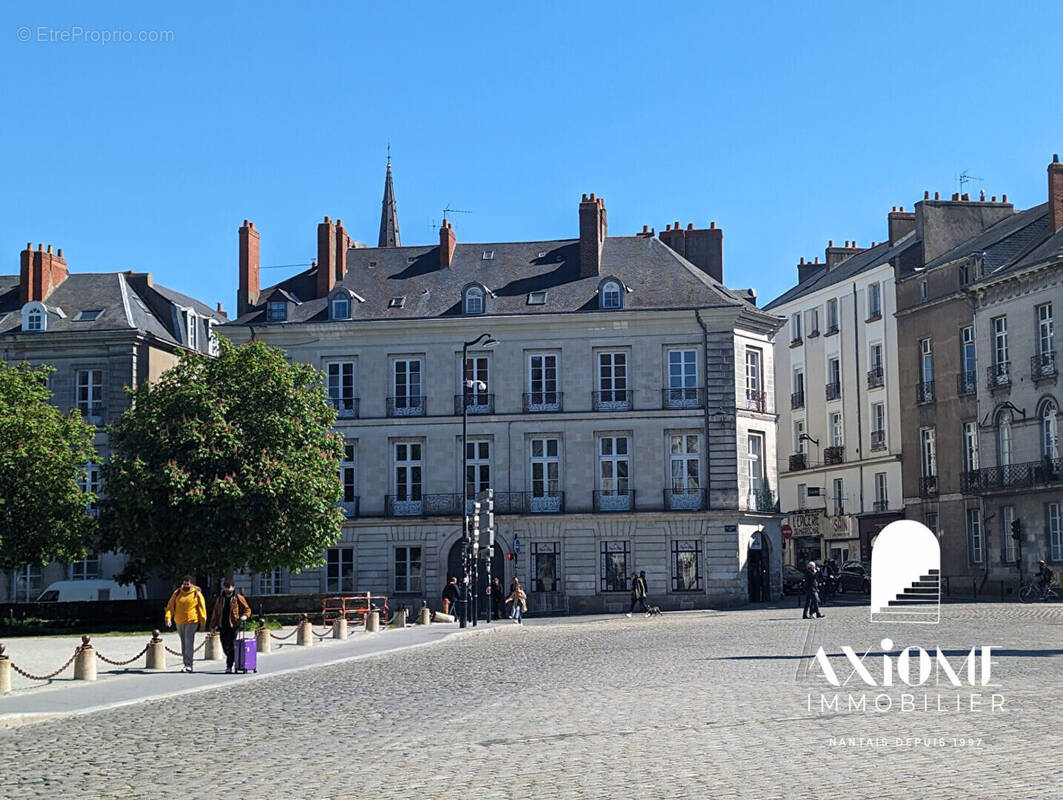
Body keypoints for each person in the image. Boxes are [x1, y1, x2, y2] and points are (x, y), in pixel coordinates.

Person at [165, 575, 207, 672]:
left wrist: (203, 623)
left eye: (188, 583)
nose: (186, 585)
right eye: (184, 583)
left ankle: (189, 665)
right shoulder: (177, 592)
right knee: (183, 643)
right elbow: (170, 606)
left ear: (191, 583)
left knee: (188, 643)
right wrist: (168, 618)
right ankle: (185, 664)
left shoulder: (196, 593)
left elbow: (202, 608)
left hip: (192, 621)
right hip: (179, 621)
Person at [209, 580, 252, 674]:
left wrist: (245, 616)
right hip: (222, 625)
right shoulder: (220, 599)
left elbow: (247, 609)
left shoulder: (237, 597)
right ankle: (234, 658)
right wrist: (213, 626)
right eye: (226, 587)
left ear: (233, 588)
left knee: (232, 645)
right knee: (225, 646)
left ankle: (229, 665)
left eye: (230, 587)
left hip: (234, 625)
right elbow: (215, 613)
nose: (228, 589)